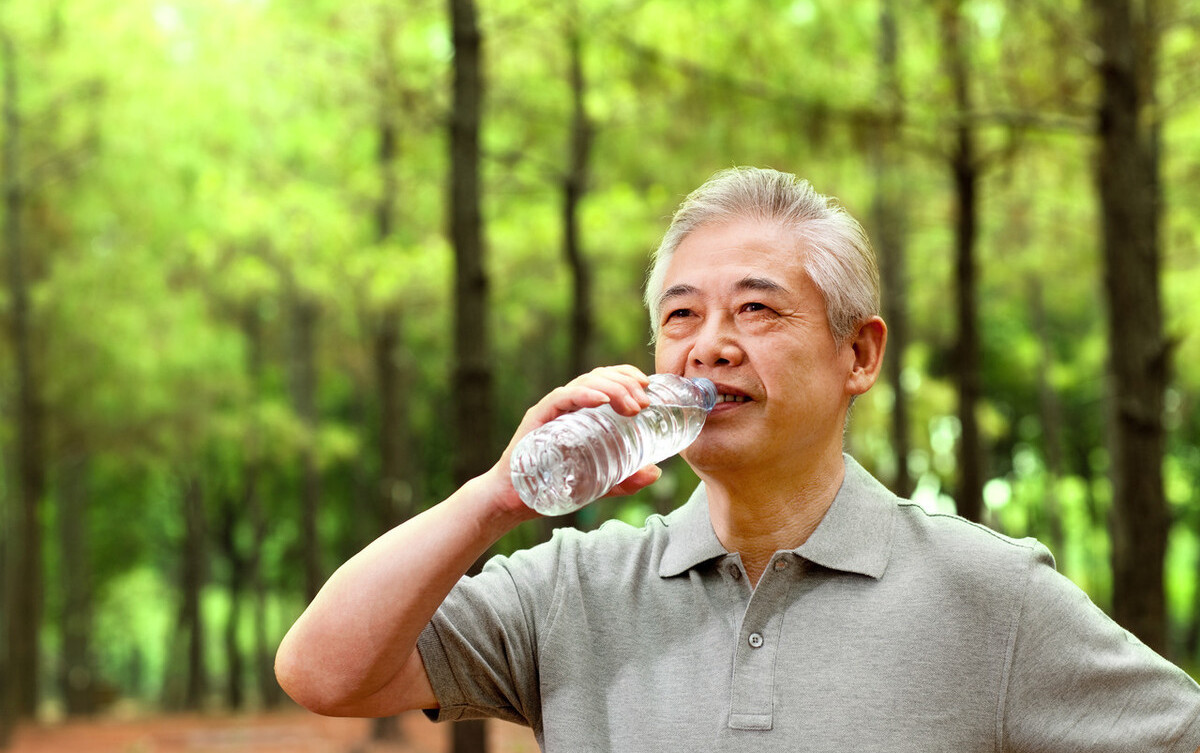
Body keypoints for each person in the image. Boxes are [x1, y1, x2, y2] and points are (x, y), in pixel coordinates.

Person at [276, 167, 1200, 751]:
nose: (708, 346)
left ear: (859, 355)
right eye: (681, 316)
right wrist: (493, 499)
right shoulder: (572, 590)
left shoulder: (989, 594)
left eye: (756, 310)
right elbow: (324, 673)